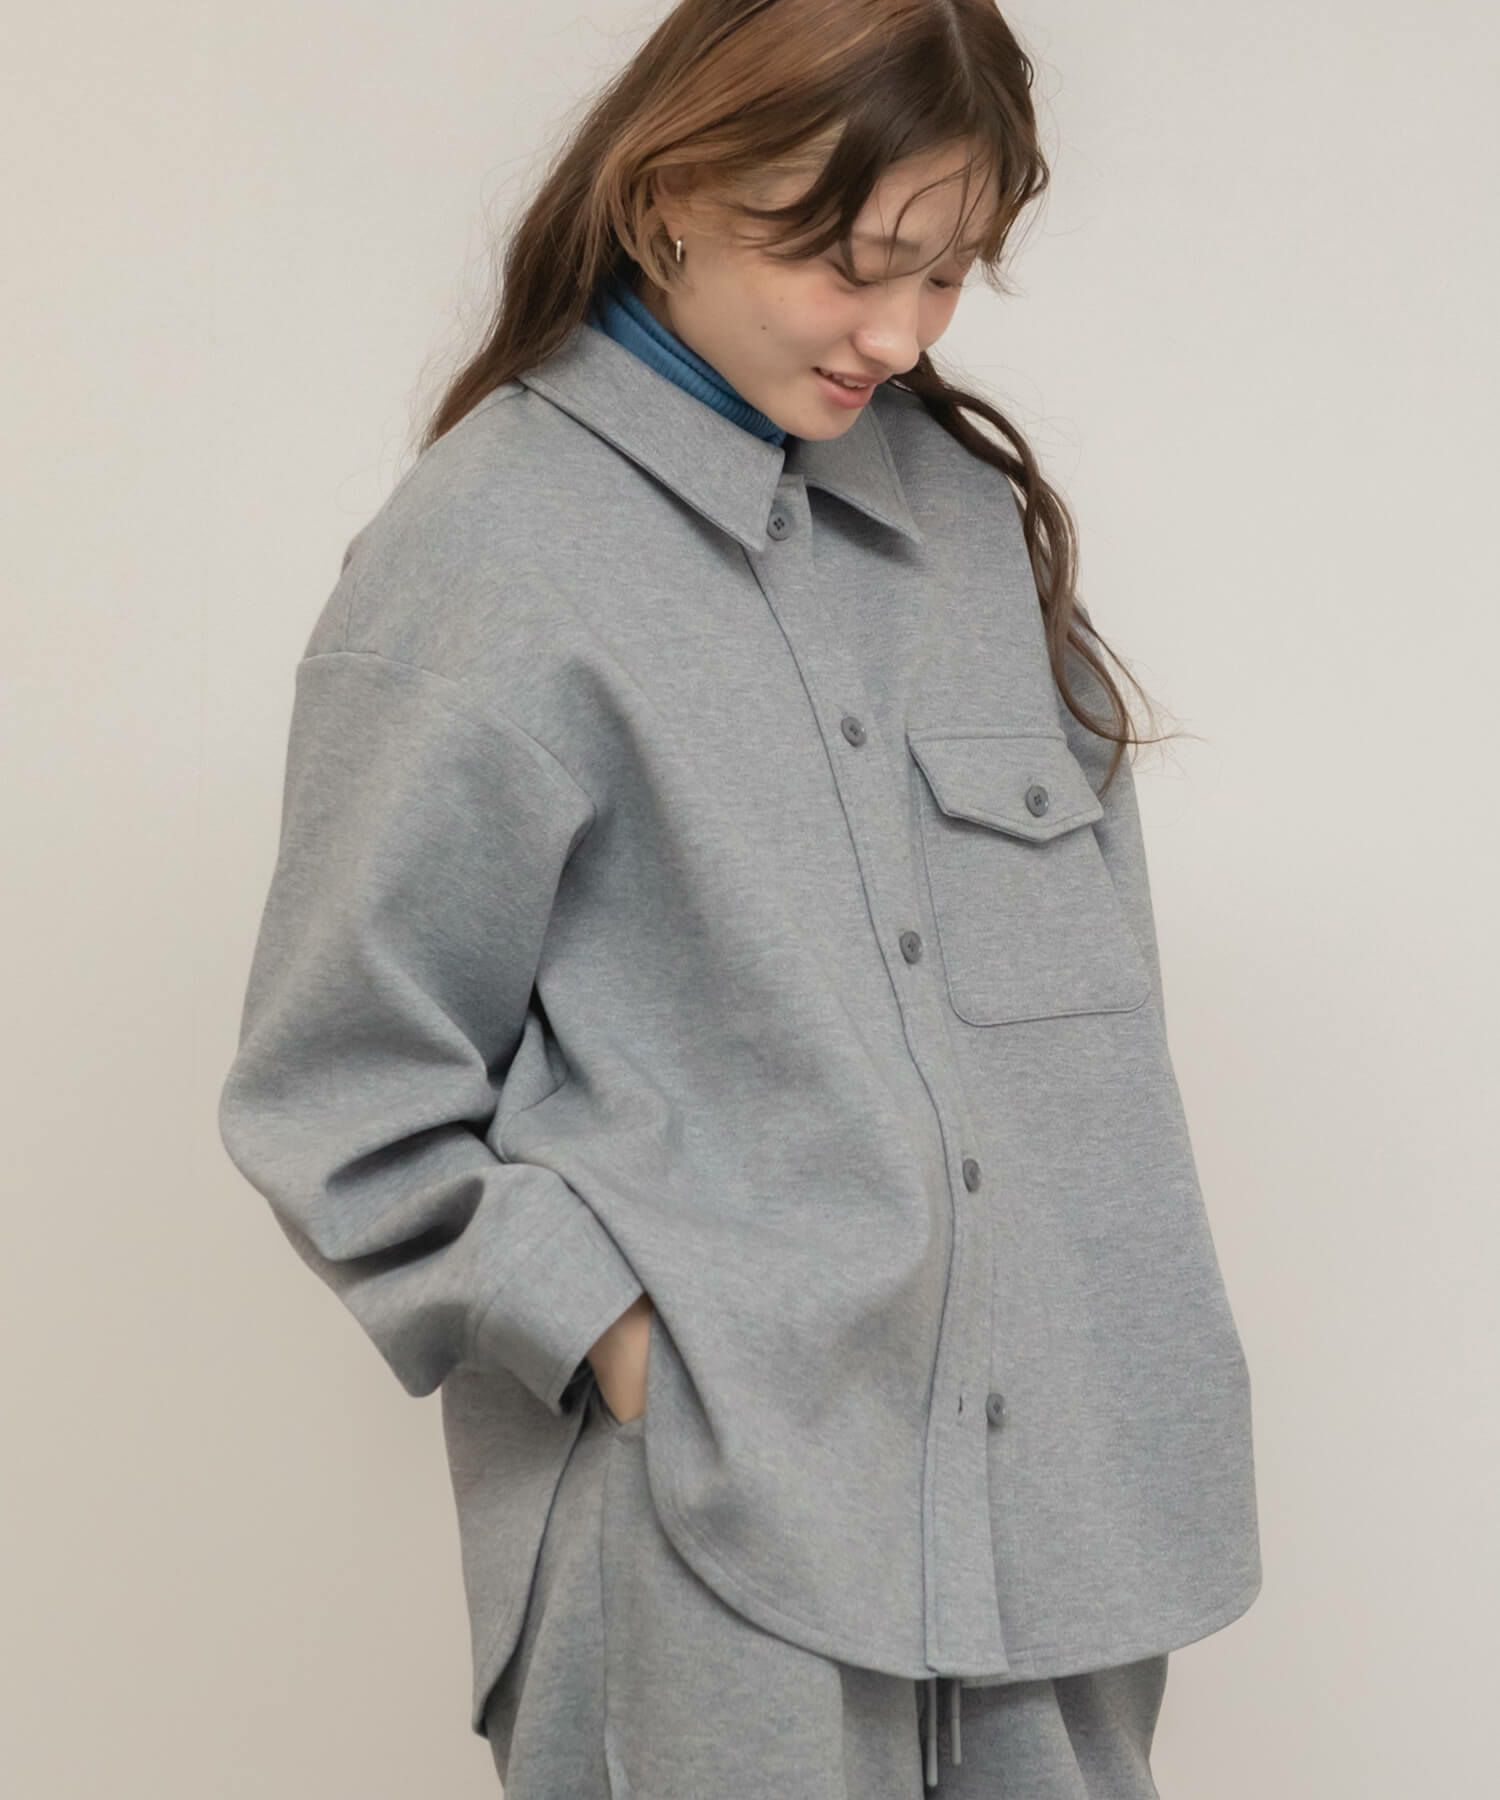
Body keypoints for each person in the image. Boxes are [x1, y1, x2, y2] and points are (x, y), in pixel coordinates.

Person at [217, 1, 1262, 1793]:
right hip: (718, 1565)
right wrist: (637, 1357)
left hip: (1058, 1555)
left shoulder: (965, 529)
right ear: (670, 196)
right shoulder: (486, 556)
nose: (899, 335)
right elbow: (342, 1094)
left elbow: (1094, 1023)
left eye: (948, 274)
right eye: (852, 264)